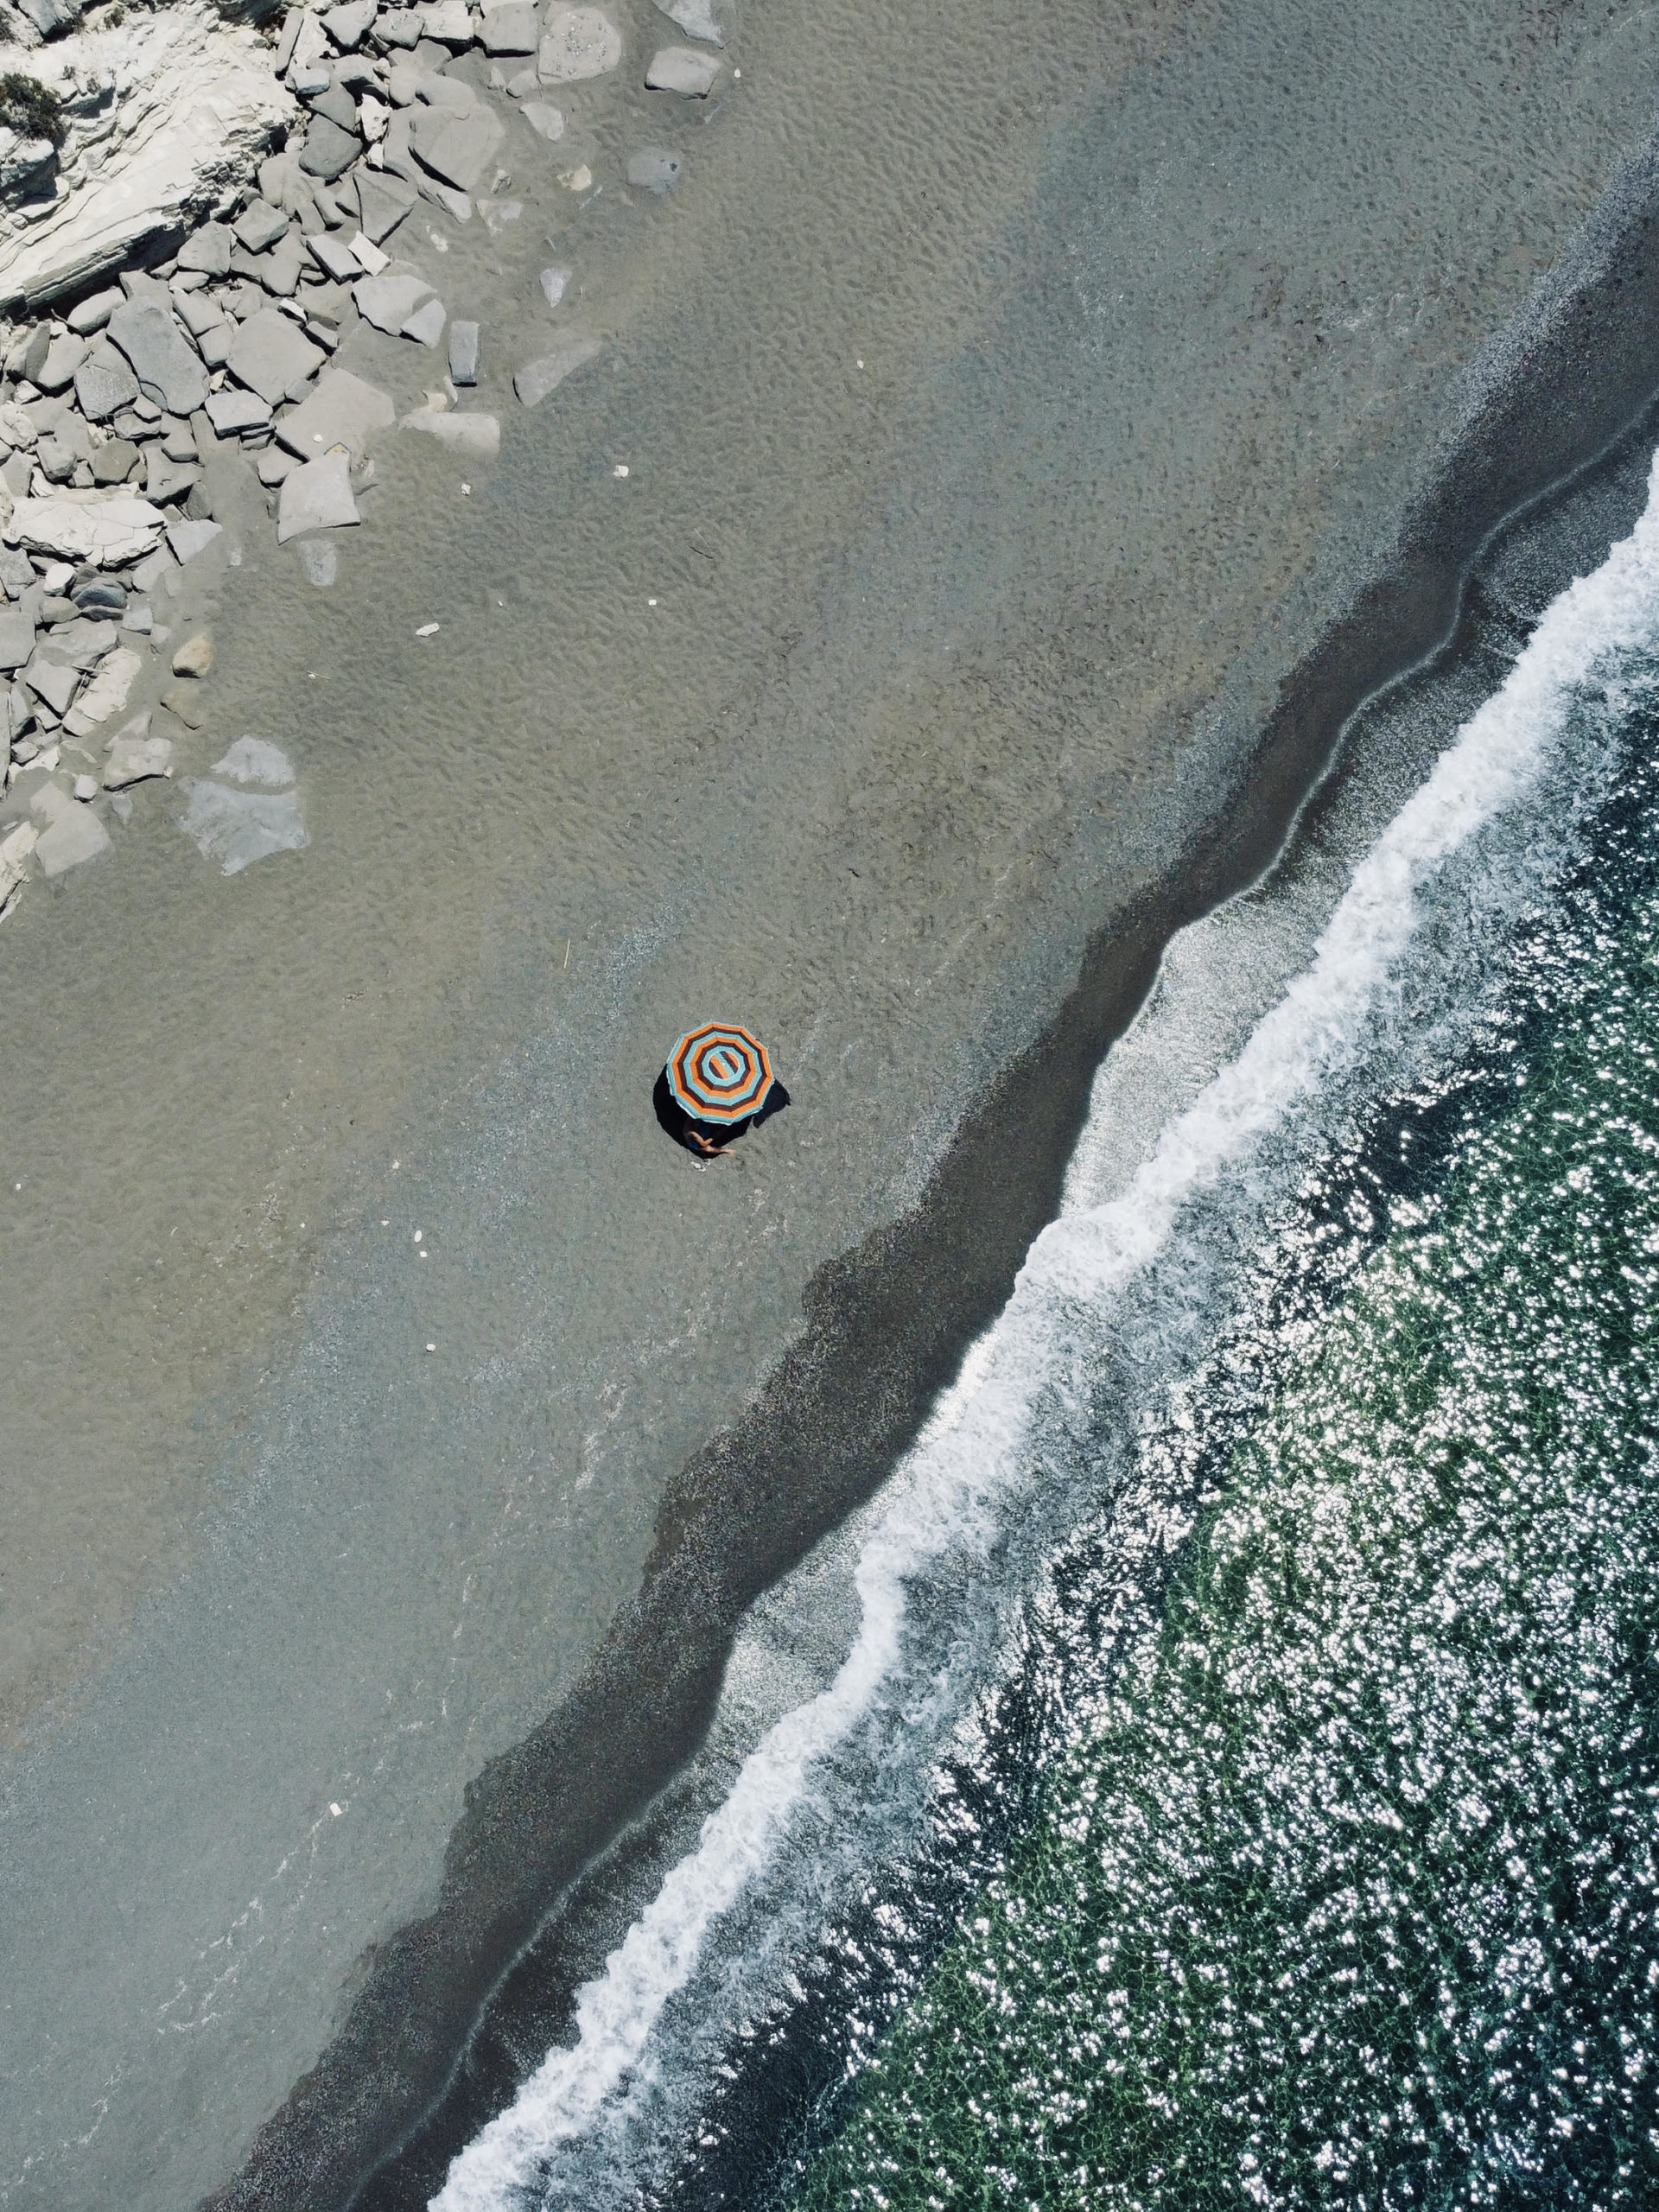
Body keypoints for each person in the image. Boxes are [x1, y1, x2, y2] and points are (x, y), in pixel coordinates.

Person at [652, 1066, 791, 1156]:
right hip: (714, 1122)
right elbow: (713, 1142)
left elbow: (695, 1119)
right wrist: (725, 1150)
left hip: (707, 1119)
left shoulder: (690, 1132)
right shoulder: (699, 1140)